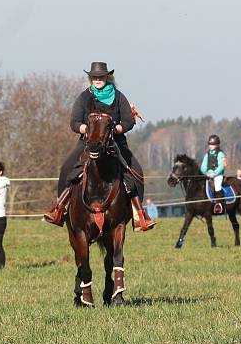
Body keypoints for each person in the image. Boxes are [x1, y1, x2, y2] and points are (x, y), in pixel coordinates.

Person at [43, 62, 156, 231]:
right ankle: (59, 208)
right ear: (91, 78)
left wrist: (117, 129)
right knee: (68, 167)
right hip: (88, 142)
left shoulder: (119, 97)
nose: (97, 79)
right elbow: (74, 122)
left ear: (107, 77)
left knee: (136, 171)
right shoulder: (84, 97)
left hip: (115, 141)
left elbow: (128, 121)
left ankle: (139, 215)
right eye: (94, 77)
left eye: (101, 76)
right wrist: (86, 129)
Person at [201, 134, 226, 214]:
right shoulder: (207, 154)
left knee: (217, 186)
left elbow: (221, 166)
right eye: (210, 144)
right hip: (208, 175)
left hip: (218, 175)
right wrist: (206, 172)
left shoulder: (220, 154)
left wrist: (214, 173)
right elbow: (203, 166)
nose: (211, 146)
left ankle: (219, 204)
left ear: (217, 145)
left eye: (213, 144)